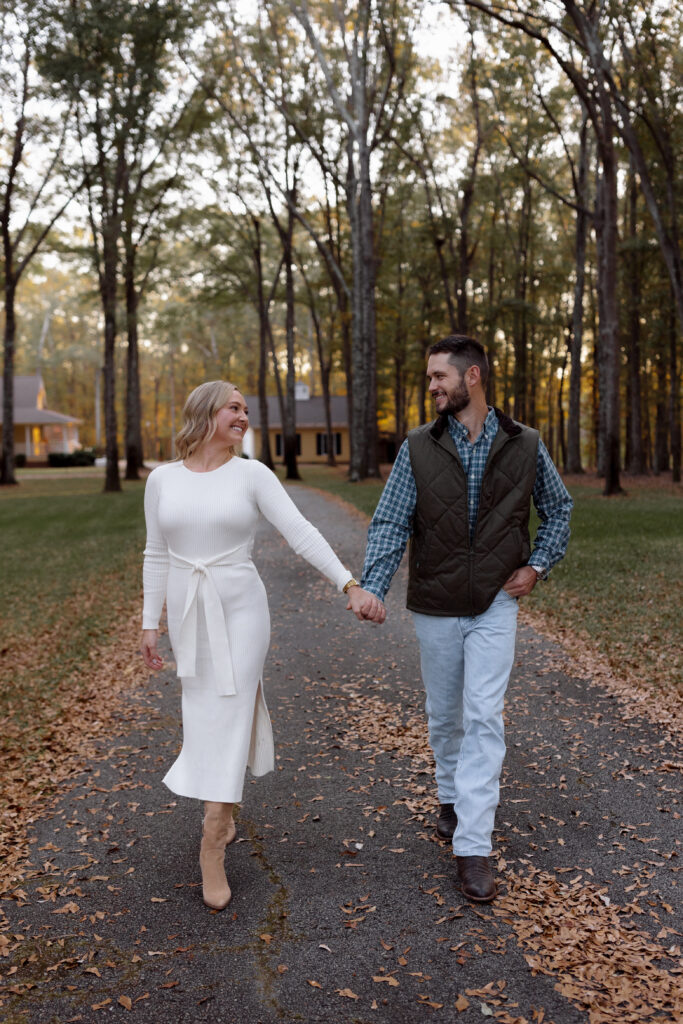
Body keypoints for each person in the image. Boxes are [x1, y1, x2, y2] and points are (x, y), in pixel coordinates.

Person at [141, 380, 385, 911]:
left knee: (229, 710)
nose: (243, 416)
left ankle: (212, 839)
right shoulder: (161, 480)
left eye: (246, 410)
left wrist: (349, 583)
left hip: (242, 610)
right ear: (205, 412)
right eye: (234, 408)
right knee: (202, 712)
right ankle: (224, 815)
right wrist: (148, 622)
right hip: (189, 613)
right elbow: (155, 555)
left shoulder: (253, 474)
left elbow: (300, 531)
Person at [360, 335, 572, 903]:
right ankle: (450, 796)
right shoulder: (416, 447)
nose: (431, 386)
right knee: (445, 716)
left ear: (471, 376)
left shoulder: (525, 443)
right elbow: (389, 522)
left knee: (484, 716)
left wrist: (538, 565)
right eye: (430, 378)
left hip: (497, 603)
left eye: (438, 377)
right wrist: (373, 587)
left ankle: (474, 847)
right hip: (435, 602)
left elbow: (559, 510)